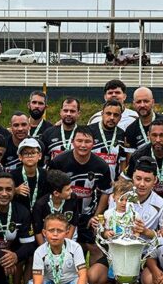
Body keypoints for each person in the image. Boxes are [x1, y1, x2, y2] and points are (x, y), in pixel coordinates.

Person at [48, 127, 112, 260]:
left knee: (93, 247)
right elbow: (50, 189)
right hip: (63, 213)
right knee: (63, 248)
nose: (83, 145)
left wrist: (96, 215)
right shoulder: (59, 162)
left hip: (87, 213)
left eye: (87, 141)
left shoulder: (101, 166)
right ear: (72, 141)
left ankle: (91, 280)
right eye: (79, 141)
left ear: (93, 143)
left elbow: (106, 192)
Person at [123, 87, 163, 156]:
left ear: (153, 102)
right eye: (138, 102)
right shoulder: (130, 130)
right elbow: (130, 160)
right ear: (134, 104)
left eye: (146, 101)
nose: (142, 105)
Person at [32, 169, 80, 244]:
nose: (71, 191)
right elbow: (38, 231)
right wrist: (44, 250)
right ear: (56, 193)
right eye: (67, 190)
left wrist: (67, 243)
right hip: (47, 239)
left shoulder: (73, 198)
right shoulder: (40, 205)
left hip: (68, 236)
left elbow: (74, 222)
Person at [89, 99, 127, 183]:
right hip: (92, 183)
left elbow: (123, 160)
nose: (112, 118)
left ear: (120, 117)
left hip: (113, 183)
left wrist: (122, 181)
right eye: (108, 113)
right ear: (102, 114)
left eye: (116, 115)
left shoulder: (122, 134)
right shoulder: (89, 131)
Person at [42, 97, 81, 161]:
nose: (68, 114)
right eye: (65, 111)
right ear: (61, 112)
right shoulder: (48, 133)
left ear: (78, 114)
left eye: (72, 111)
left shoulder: (84, 133)